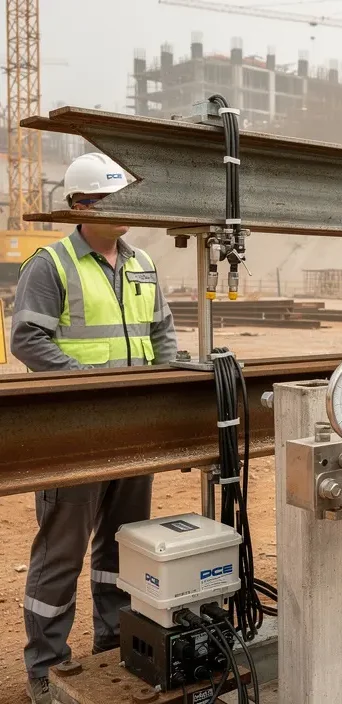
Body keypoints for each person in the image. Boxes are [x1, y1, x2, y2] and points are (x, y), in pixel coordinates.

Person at [11, 152, 176, 704]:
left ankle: (113, 640)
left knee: (123, 546)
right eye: (112, 198)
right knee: (61, 552)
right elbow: (27, 340)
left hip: (132, 432)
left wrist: (164, 389)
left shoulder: (141, 264)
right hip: (75, 433)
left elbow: (162, 336)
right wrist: (91, 385)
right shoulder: (51, 264)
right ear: (82, 206)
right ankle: (45, 665)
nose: (125, 208)